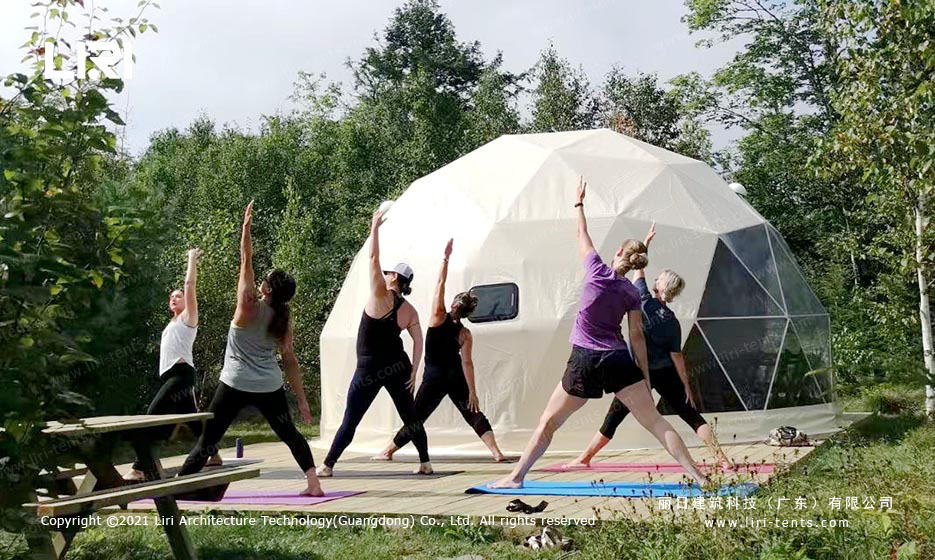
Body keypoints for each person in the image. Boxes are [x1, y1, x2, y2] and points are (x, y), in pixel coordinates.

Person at [491, 177, 708, 489]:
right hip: (618, 359)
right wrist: (644, 377)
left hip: (585, 359)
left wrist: (579, 202)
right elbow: (636, 336)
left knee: (549, 422)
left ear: (618, 251)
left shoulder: (595, 269)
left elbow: (581, 233)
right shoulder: (631, 292)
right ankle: (698, 477)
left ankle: (516, 477)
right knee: (656, 423)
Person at [178, 201, 323, 497]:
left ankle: (178, 485)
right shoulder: (284, 320)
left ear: (266, 289)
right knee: (289, 433)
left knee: (209, 439)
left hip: (235, 382)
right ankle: (314, 483)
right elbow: (291, 362)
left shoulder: (247, 307)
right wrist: (303, 400)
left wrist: (246, 230)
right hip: (269, 385)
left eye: (265, 281)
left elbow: (246, 261)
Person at [567, 223, 733, 470]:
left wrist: (647, 243)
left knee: (612, 419)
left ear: (658, 285)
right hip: (666, 373)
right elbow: (677, 356)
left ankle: (584, 458)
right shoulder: (672, 321)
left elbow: (638, 270)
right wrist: (686, 385)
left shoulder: (642, 299)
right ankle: (723, 460)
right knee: (691, 416)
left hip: (638, 374)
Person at [317, 208, 433, 476]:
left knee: (351, 419)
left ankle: (327, 465)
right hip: (398, 368)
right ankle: (425, 462)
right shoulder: (410, 310)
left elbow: (372, 257)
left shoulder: (380, 295)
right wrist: (415, 371)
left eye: (389, 272)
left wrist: (374, 228)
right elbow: (418, 342)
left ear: (393, 278)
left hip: (369, 369)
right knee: (410, 416)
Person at [372, 239, 506, 463]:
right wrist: (472, 392)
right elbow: (467, 364)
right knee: (473, 414)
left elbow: (439, 284)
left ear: (453, 304)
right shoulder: (465, 334)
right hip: (455, 377)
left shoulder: (437, 316)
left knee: (416, 416)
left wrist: (445, 258)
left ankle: (388, 451)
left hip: (434, 377)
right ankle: (496, 452)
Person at [124, 248, 221, 481]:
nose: (174, 297)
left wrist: (191, 259)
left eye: (178, 295)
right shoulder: (171, 324)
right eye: (171, 297)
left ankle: (139, 467)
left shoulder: (189, 318)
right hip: (171, 376)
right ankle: (214, 454)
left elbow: (189, 285)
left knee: (151, 416)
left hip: (181, 375)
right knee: (192, 419)